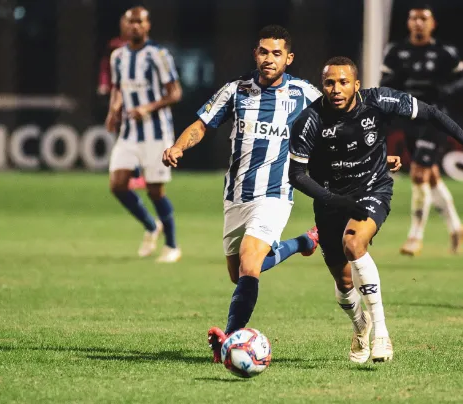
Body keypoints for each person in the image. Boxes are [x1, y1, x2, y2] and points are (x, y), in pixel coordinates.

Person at [288, 56, 463, 363]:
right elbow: (296, 175)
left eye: (343, 82)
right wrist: (333, 200)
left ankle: (382, 335)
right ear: (323, 86)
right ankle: (361, 326)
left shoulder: (378, 101)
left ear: (356, 85)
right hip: (330, 200)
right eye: (329, 83)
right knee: (344, 283)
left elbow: (429, 113)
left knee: (354, 243)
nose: (336, 89)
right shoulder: (309, 120)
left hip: (372, 189)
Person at [161, 25, 321, 362]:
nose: (269, 59)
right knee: (240, 273)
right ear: (255, 54)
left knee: (250, 263)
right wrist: (178, 145)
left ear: (288, 58)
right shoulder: (236, 90)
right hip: (235, 196)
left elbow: (341, 123)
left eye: (277, 53)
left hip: (275, 194)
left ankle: (229, 341)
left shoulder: (305, 94)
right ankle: (302, 243)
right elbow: (202, 124)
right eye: (263, 52)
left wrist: (376, 154)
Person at [381, 3, 463, 255]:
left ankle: (415, 236)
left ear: (433, 24)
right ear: (408, 23)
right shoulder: (396, 52)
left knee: (419, 174)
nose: (418, 23)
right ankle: (456, 227)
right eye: (414, 18)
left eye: (423, 18)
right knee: (430, 176)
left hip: (436, 119)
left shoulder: (444, 53)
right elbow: (385, 82)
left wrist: (447, 90)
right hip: (410, 120)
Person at [105, 7, 182, 263]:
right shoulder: (117, 56)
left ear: (147, 26)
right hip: (129, 132)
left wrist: (147, 108)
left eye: (140, 22)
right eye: (130, 22)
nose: (135, 26)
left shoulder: (158, 55)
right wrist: (113, 110)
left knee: (154, 191)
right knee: (117, 185)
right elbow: (118, 89)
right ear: (124, 26)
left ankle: (172, 246)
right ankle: (151, 225)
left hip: (156, 133)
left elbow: (175, 93)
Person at [99, 13, 146, 190]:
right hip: (120, 96)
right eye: (127, 23)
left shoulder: (145, 48)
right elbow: (106, 67)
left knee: (139, 135)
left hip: (139, 99)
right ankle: (129, 172)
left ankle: (139, 173)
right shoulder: (115, 46)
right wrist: (104, 83)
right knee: (124, 134)